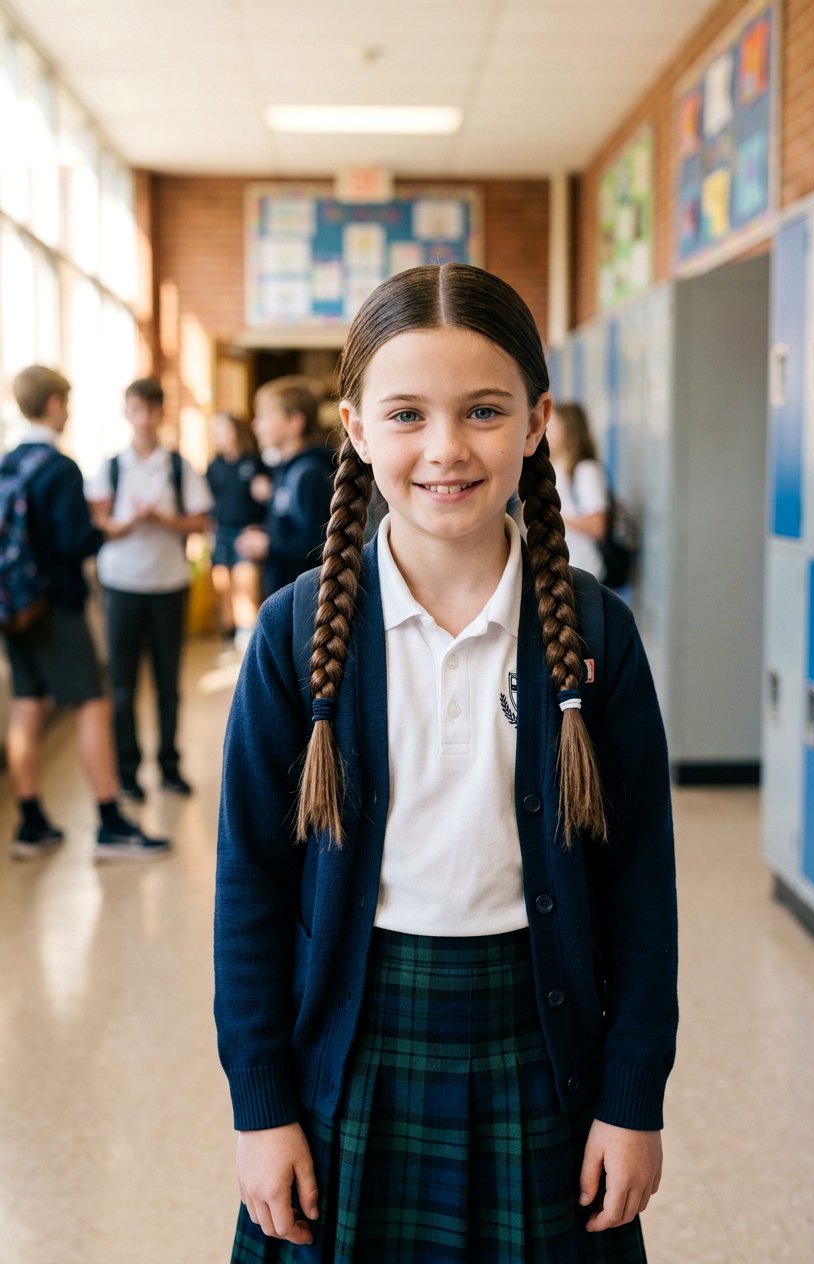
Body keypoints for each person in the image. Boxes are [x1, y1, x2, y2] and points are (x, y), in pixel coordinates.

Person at [214, 264, 678, 1262]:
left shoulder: (596, 632)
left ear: (534, 418)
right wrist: (261, 1109)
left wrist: (633, 1096)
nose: (444, 449)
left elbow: (639, 884)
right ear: (354, 428)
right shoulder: (294, 638)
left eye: (480, 410)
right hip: (353, 1049)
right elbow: (249, 887)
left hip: (542, 1047)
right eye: (406, 414)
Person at [2, 366, 169, 859]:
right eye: (66, 401)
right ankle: (110, 821)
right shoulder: (60, 468)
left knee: (26, 705)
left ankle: (30, 822)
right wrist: (108, 528)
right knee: (93, 704)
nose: (69, 411)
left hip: (13, 607)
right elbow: (74, 541)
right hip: (56, 606)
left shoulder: (8, 462)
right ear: (53, 404)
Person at [87, 377, 213, 802]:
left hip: (168, 582)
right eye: (136, 409)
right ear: (127, 413)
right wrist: (123, 525)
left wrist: (162, 521)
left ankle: (169, 766)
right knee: (122, 682)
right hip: (121, 583)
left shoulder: (178, 466)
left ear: (160, 414)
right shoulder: (111, 466)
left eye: (151, 410)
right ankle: (127, 770)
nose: (144, 418)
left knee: (167, 682)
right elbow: (98, 521)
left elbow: (200, 522)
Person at [235, 379, 335, 596]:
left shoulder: (309, 474)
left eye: (265, 416)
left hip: (306, 600)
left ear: (295, 423)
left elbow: (320, 545)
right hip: (285, 594)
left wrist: (268, 545)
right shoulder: (285, 469)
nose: (255, 425)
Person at [206, 412, 265, 650]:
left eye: (223, 429)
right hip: (220, 532)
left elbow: (265, 500)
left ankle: (247, 636)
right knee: (224, 587)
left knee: (246, 585)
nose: (218, 436)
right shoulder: (213, 467)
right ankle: (229, 635)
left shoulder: (253, 462)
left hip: (245, 531)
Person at [546, 401, 609, 580]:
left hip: (581, 568)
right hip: (559, 566)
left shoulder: (585, 470)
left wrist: (551, 516)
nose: (548, 434)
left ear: (568, 430)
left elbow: (597, 526)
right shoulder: (557, 466)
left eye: (554, 426)